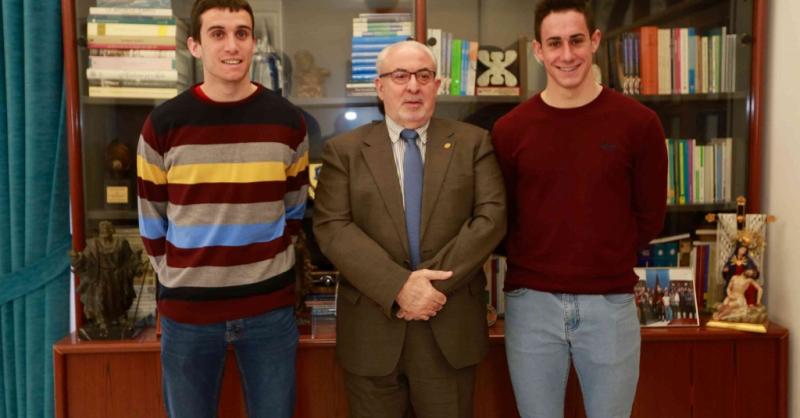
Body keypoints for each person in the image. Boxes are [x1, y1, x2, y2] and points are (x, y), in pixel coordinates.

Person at [491, 0, 668, 416]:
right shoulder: (509, 130)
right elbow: (501, 218)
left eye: (576, 40)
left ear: (595, 41)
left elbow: (650, 216)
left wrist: (602, 257)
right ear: (538, 50)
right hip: (531, 305)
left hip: (610, 303)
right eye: (554, 43)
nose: (567, 54)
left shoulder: (639, 124)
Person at [312, 40, 506, 418]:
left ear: (437, 85)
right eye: (400, 76)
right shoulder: (344, 151)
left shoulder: (472, 143)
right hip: (372, 332)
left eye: (424, 76)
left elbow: (491, 218)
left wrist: (428, 289)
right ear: (380, 86)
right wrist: (399, 287)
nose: (413, 86)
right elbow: (333, 227)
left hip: (448, 328)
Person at [135, 0, 308, 416]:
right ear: (194, 46)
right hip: (188, 316)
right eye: (218, 34)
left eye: (241, 33)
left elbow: (294, 213)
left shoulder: (288, 121)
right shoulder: (163, 124)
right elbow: (151, 224)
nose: (232, 45)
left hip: (268, 311)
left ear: (253, 42)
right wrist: (184, 277)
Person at [70, 221, 141, 337]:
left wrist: (136, 262)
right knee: (100, 298)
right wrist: (77, 257)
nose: (105, 230)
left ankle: (120, 317)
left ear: (112, 230)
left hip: (117, 275)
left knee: (117, 298)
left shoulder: (121, 243)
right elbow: (85, 259)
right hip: (100, 275)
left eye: (107, 228)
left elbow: (129, 259)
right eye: (102, 229)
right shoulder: (93, 244)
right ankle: (101, 321)